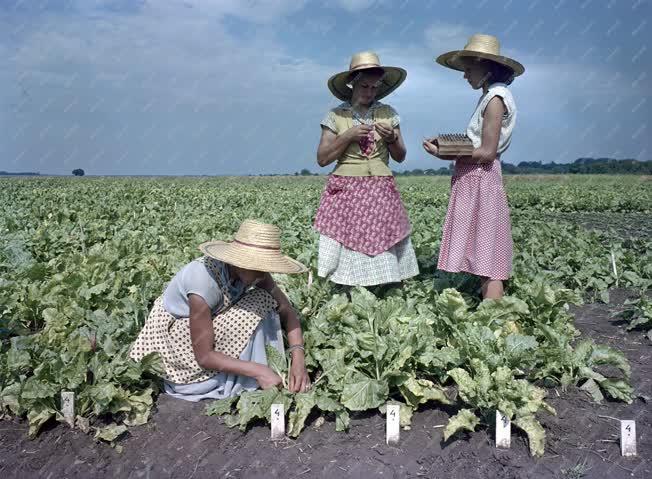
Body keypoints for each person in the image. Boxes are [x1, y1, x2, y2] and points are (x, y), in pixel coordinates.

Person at [129, 220, 311, 401]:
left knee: (264, 300)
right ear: (239, 261)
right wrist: (259, 371)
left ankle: (257, 372)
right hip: (177, 338)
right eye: (258, 268)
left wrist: (298, 357)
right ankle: (232, 378)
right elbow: (204, 356)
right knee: (259, 304)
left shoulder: (254, 272)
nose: (263, 275)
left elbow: (286, 309)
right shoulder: (203, 283)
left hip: (208, 321)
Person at [423, 34, 524, 299]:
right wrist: (446, 143)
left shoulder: (495, 98)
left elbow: (487, 152)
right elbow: (478, 142)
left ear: (486, 67)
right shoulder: (491, 95)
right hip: (477, 180)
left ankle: (495, 316)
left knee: (488, 255)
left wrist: (445, 154)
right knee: (484, 251)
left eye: (469, 69)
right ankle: (493, 315)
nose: (465, 75)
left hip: (481, 179)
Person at [314, 51, 419, 287]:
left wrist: (392, 137)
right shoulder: (335, 116)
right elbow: (322, 159)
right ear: (352, 84)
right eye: (364, 86)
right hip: (346, 189)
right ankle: (347, 288)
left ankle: (385, 287)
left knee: (382, 240)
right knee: (349, 242)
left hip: (380, 187)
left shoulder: (388, 113)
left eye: (374, 87)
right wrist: (347, 136)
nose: (370, 92)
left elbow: (400, 156)